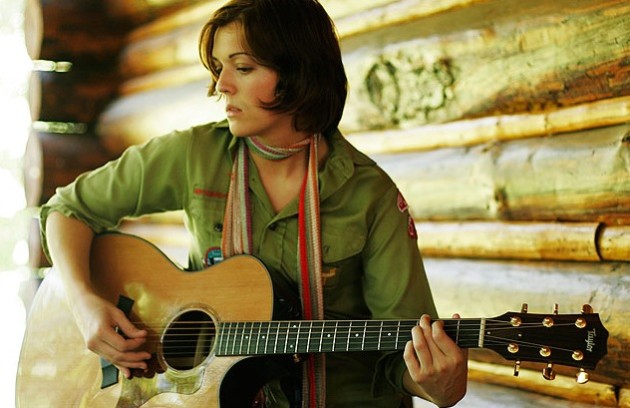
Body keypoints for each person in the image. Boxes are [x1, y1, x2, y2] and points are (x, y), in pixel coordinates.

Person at [40, 0, 468, 406]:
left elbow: (406, 355)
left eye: (243, 68)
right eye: (219, 68)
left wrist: (440, 385)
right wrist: (84, 305)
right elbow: (66, 211)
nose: (220, 85)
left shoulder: (370, 195)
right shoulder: (194, 156)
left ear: (299, 73)